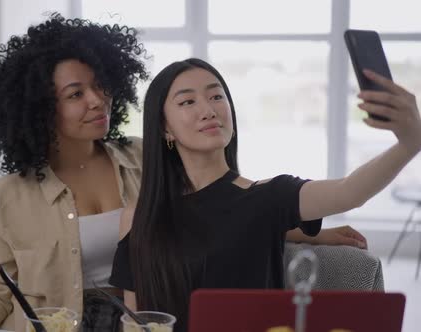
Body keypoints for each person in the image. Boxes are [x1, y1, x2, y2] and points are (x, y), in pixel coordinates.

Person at [109, 58, 421, 331]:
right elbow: (134, 322)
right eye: (187, 101)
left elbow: (349, 191)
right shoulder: (140, 217)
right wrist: (304, 234)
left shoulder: (268, 197)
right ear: (165, 128)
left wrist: (410, 143)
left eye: (217, 96)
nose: (208, 109)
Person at [0, 14, 148, 331]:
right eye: (76, 94)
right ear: (41, 109)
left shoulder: (143, 158)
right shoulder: (7, 195)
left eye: (99, 85)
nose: (97, 100)